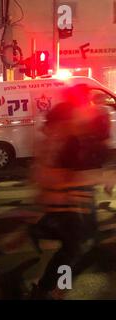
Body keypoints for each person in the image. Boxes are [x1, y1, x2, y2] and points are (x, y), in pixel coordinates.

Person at [29, 85, 113, 299]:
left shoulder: (72, 122)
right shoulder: (64, 126)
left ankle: (54, 286)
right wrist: (101, 178)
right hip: (66, 197)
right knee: (73, 247)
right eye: (85, 100)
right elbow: (55, 172)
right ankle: (48, 289)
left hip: (73, 194)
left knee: (81, 240)